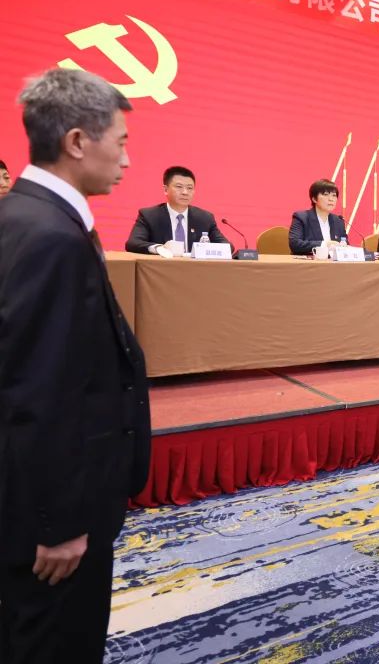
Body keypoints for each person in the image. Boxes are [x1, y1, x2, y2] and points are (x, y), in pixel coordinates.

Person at [0, 69, 150, 662]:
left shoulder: (24, 216)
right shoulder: (50, 237)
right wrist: (58, 523)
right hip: (55, 519)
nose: (127, 160)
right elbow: (38, 391)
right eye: (121, 142)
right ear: (77, 141)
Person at [124, 165, 231, 256]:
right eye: (179, 187)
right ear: (166, 189)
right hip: (162, 270)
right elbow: (133, 243)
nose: (185, 192)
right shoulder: (150, 216)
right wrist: (160, 248)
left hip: (196, 270)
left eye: (189, 188)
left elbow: (228, 247)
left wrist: (204, 251)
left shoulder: (204, 218)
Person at [289, 179, 348, 254]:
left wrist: (344, 245)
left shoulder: (338, 221)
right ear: (314, 199)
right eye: (326, 194)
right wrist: (324, 244)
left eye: (334, 195)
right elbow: (295, 244)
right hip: (311, 260)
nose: (331, 199)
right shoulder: (302, 218)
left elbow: (345, 242)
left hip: (333, 261)